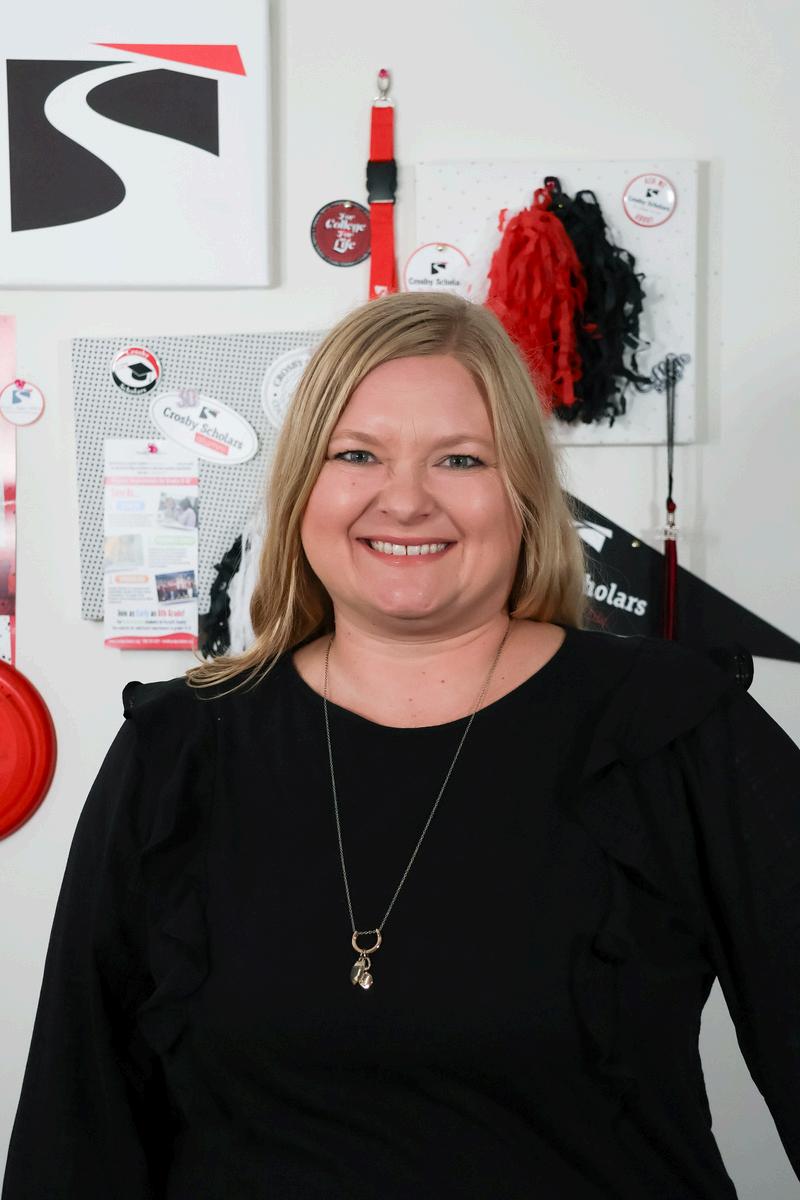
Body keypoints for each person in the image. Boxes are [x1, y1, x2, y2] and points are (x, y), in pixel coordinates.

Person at [3, 291, 798, 1199]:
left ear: (524, 494)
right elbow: (77, 1119)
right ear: (302, 487)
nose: (407, 500)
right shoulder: (178, 747)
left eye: (461, 459)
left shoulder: (675, 728)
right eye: (357, 455)